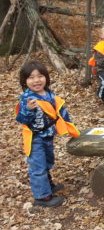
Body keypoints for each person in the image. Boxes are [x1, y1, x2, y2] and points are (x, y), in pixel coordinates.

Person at [15, 61, 80, 207]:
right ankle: (42, 196)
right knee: (38, 166)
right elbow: (21, 119)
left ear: (46, 78)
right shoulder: (27, 99)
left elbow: (60, 113)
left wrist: (71, 129)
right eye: (31, 78)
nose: (36, 80)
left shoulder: (50, 95)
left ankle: (48, 185)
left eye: (40, 76)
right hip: (35, 138)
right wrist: (29, 110)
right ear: (25, 81)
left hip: (48, 136)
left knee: (47, 162)